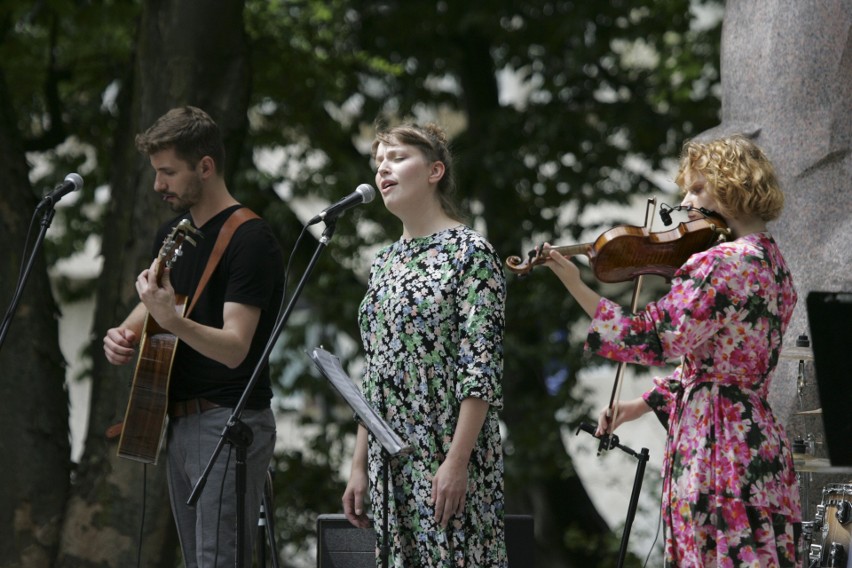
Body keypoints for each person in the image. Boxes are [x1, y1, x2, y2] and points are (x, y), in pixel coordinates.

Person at [544, 135, 801, 566]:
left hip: (716, 447)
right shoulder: (774, 264)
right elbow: (724, 362)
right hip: (758, 442)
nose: (685, 200)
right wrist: (640, 405)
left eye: (697, 188)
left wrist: (575, 283)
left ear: (731, 184)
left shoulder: (722, 263)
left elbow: (648, 336)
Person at [103, 106, 284, 567]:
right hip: (182, 422)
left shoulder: (249, 238)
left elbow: (235, 347)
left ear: (206, 167)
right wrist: (122, 335)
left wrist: (173, 320)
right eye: (157, 172)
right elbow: (158, 301)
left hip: (228, 420)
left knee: (218, 561)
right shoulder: (176, 234)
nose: (159, 185)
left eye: (169, 172)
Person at [342, 122, 508, 567]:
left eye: (396, 158)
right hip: (388, 453)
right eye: (378, 162)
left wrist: (457, 462)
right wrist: (359, 464)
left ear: (435, 171)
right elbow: (375, 372)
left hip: (446, 448)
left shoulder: (471, 253)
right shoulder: (384, 261)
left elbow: (481, 368)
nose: (382, 169)